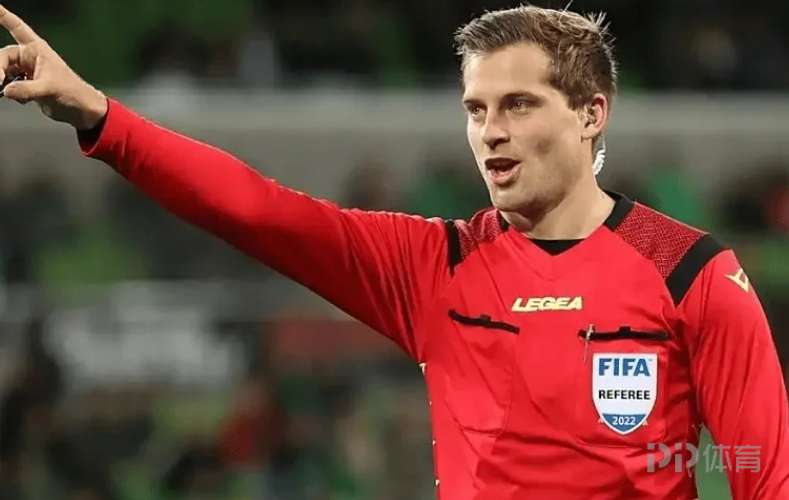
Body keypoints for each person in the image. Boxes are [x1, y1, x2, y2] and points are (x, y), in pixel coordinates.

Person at [1, 4, 787, 499]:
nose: (490, 132)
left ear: (590, 114)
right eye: (475, 109)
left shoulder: (689, 270)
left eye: (518, 105)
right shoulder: (432, 267)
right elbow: (256, 210)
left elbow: (763, 471)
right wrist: (98, 116)